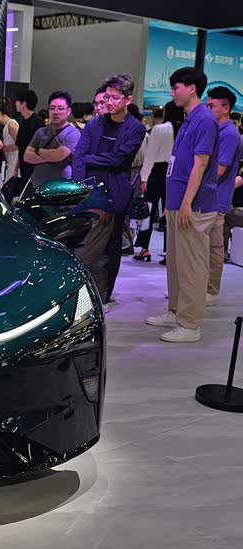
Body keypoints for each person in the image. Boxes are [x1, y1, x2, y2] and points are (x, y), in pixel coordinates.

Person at [145, 67, 219, 343]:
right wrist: (173, 203)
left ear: (191, 88)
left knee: (192, 266)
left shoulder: (205, 120)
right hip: (178, 202)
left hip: (195, 205)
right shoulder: (188, 118)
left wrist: (186, 202)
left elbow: (200, 164)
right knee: (176, 263)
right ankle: (175, 311)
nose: (172, 93)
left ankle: (190, 324)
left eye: (176, 87)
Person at [72, 75, 146, 306]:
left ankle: (103, 297)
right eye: (107, 97)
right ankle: (83, 297)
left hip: (115, 195)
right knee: (85, 247)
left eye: (115, 98)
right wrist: (81, 191)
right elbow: (78, 157)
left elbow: (118, 159)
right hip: (89, 192)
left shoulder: (136, 128)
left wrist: (90, 158)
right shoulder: (95, 123)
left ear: (128, 99)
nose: (109, 102)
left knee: (109, 249)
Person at [205, 86, 242, 305]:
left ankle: (210, 290)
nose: (208, 109)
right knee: (205, 248)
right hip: (209, 197)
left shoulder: (229, 134)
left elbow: (219, 170)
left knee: (214, 247)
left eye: (212, 105)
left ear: (226, 108)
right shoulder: (217, 130)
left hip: (216, 199)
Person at [136, 101, 183, 261]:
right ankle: (170, 252)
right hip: (175, 172)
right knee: (170, 212)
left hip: (156, 171)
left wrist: (144, 178)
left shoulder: (160, 129)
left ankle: (144, 248)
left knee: (148, 211)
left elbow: (150, 155)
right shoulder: (183, 129)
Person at [24, 90, 81, 189]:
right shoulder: (41, 131)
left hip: (61, 187)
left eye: (60, 108)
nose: (55, 112)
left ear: (68, 111)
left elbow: (58, 155)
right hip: (38, 185)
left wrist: (39, 151)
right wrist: (49, 157)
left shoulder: (73, 133)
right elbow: (27, 156)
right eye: (52, 108)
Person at [14, 89, 44, 186]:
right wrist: (16, 168)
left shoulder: (37, 122)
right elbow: (20, 147)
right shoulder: (22, 122)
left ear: (24, 104)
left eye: (17, 101)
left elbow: (40, 147)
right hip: (23, 169)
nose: (15, 103)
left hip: (33, 170)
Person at [0, 95, 19, 182]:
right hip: (11, 161)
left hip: (14, 162)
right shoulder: (7, 126)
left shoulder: (11, 125)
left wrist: (3, 149)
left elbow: (19, 144)